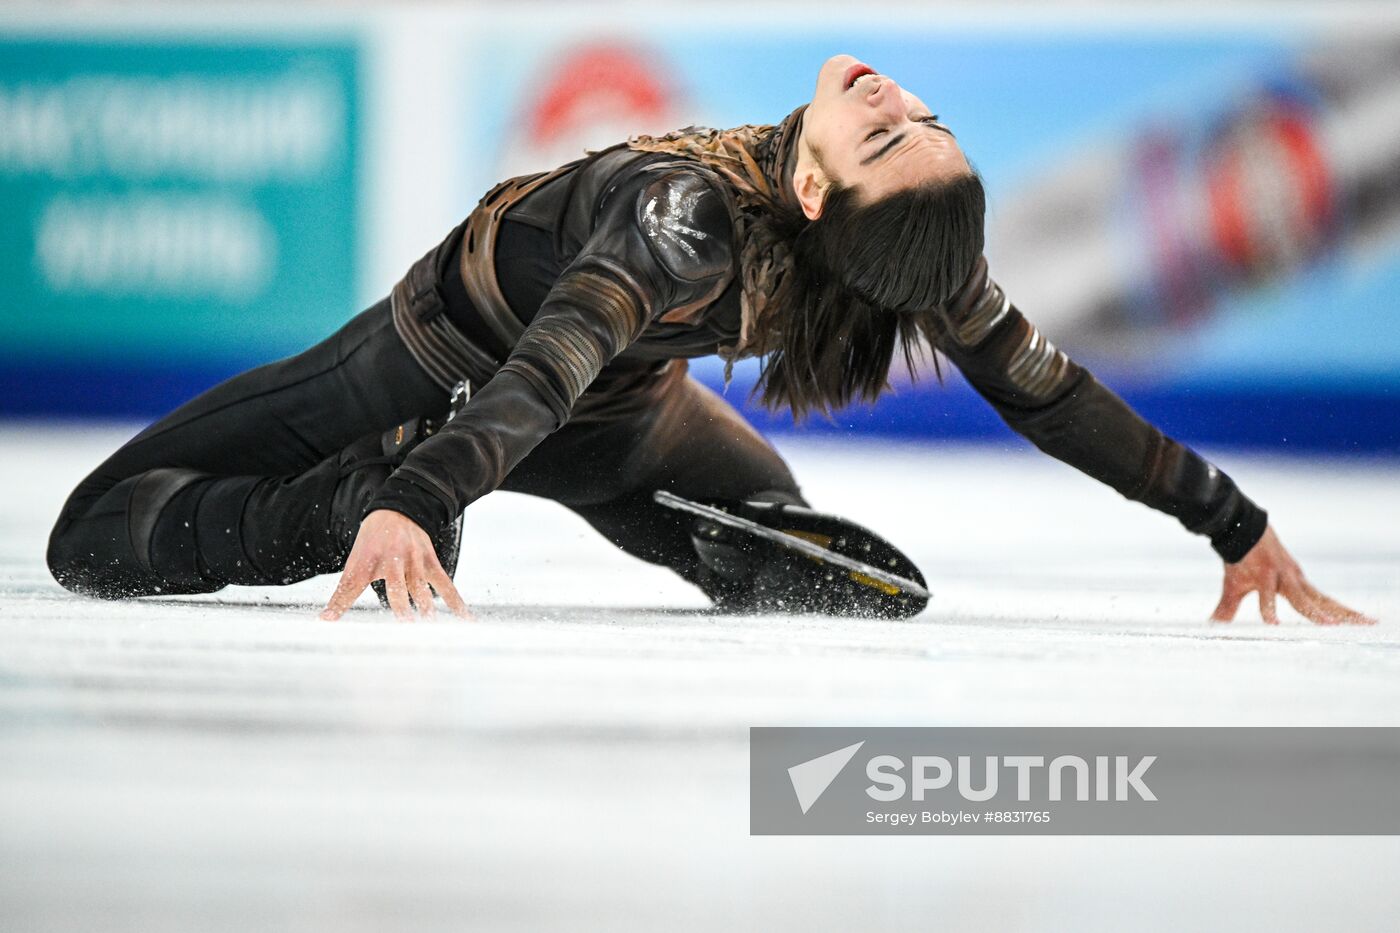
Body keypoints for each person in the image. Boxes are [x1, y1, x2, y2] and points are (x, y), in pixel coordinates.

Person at [46, 54, 1373, 626]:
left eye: (899, 135)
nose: (899, 103)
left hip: (461, 376)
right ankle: (362, 500)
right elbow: (555, 365)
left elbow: (1055, 394)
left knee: (99, 525)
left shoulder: (763, 231)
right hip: (546, 398)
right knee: (101, 539)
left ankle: (339, 505)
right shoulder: (724, 225)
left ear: (817, 193)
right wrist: (421, 493)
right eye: (923, 120)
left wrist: (1229, 518)